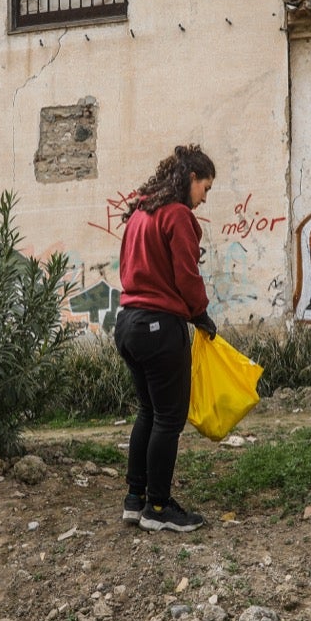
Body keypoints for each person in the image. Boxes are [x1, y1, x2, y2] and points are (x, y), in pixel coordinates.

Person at [114, 144, 217, 533]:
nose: (204, 198)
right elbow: (186, 274)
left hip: (128, 323)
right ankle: (158, 507)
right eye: (205, 188)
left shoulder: (140, 212)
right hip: (159, 327)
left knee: (149, 411)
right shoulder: (177, 215)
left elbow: (130, 267)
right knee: (169, 418)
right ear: (191, 178)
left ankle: (135, 499)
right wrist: (200, 314)